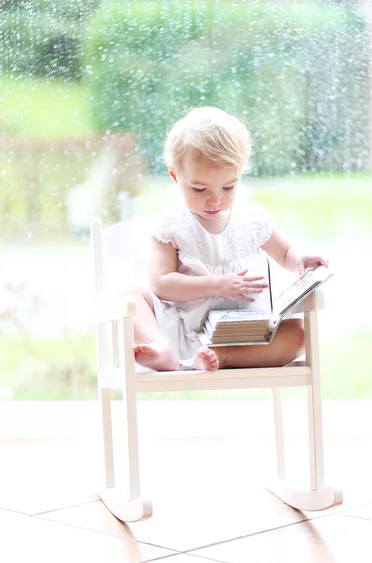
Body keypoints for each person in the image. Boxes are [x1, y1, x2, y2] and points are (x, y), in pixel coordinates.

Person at [131, 106, 328, 372]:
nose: (215, 199)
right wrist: (215, 284)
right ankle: (161, 349)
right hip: (184, 329)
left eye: (228, 187)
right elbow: (161, 283)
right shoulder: (171, 227)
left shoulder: (253, 220)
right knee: (128, 295)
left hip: (246, 332)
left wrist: (300, 259)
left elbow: (285, 254)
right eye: (199, 189)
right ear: (175, 177)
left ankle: (221, 356)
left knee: (300, 333)